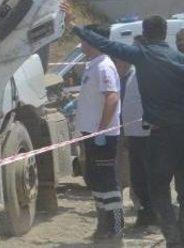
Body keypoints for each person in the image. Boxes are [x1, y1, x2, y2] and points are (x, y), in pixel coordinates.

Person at [63, 4, 184, 247]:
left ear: (145, 33)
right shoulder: (178, 58)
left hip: (159, 137)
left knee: (158, 187)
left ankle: (172, 236)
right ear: (163, 34)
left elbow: (107, 45)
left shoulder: (143, 54)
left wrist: (74, 26)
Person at [74, 24, 123, 240]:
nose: (81, 44)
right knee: (96, 180)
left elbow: (111, 97)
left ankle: (115, 226)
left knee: (107, 181)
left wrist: (102, 130)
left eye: (84, 40)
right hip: (92, 135)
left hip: (102, 137)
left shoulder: (104, 66)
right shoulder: (93, 65)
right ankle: (103, 224)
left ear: (93, 42)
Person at [113, 56, 156, 227]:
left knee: (147, 176)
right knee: (136, 175)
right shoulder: (131, 77)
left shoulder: (145, 75)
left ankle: (151, 215)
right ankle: (146, 212)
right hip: (131, 134)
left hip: (145, 135)